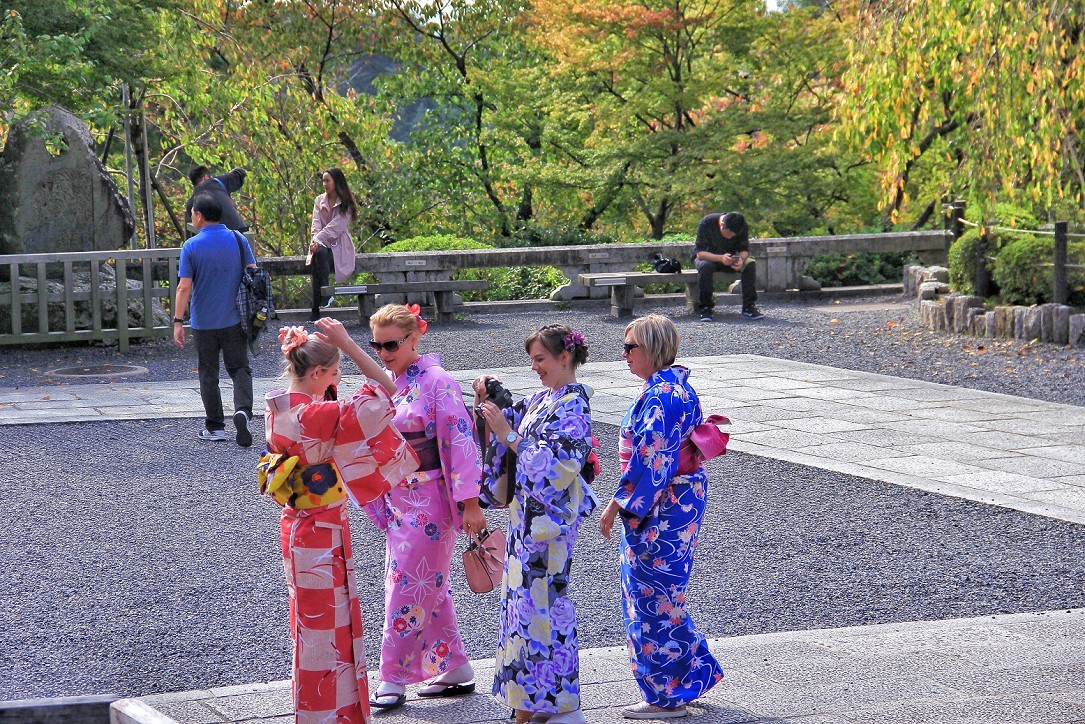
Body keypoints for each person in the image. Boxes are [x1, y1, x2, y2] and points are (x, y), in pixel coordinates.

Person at [259, 318, 419, 724]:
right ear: (316, 373)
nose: (338, 378)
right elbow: (386, 387)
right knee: (325, 630)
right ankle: (326, 716)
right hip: (322, 531)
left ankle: (328, 712)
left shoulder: (276, 408)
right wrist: (347, 344)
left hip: (296, 525)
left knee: (311, 624)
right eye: (333, 372)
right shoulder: (319, 416)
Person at [362, 304, 487, 711]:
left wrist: (470, 504)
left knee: (406, 585)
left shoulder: (438, 382)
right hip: (399, 497)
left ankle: (392, 676)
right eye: (376, 346)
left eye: (392, 344)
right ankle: (454, 667)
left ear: (416, 338)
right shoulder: (394, 383)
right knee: (427, 585)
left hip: (429, 501)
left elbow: (462, 444)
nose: (384, 353)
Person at [598, 314, 724, 720]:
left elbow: (651, 460)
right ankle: (692, 673)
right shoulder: (677, 388)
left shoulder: (660, 396)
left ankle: (664, 695)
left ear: (652, 348)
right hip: (679, 500)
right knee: (664, 594)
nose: (625, 355)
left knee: (651, 598)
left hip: (661, 505)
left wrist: (616, 503)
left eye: (630, 347)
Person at [474, 324, 597, 724]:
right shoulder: (547, 398)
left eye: (540, 359)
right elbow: (513, 419)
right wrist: (493, 400)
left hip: (550, 525)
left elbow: (559, 466)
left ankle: (558, 704)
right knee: (523, 610)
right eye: (532, 360)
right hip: (526, 522)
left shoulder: (575, 405)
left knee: (546, 608)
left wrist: (507, 434)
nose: (535, 367)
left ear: (565, 357)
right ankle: (529, 703)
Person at [173, 192, 257, 446]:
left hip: (204, 321)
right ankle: (242, 410)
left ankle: (215, 427)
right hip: (235, 318)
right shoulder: (238, 239)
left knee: (208, 373)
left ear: (198, 216)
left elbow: (184, 287)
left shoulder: (191, 246)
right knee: (239, 368)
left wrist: (178, 321)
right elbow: (253, 274)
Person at [692, 211, 763, 321]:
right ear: (722, 225)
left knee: (750, 263)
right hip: (708, 258)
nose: (730, 238)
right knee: (705, 267)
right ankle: (706, 307)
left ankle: (749, 307)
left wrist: (740, 259)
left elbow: (744, 250)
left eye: (733, 236)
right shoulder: (706, 223)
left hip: (731, 258)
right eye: (729, 234)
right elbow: (700, 254)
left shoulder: (741, 225)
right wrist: (721, 258)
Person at [308, 167, 358, 320]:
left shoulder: (346, 204)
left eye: (327, 180)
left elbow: (335, 227)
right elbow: (315, 224)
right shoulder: (319, 200)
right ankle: (325, 294)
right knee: (319, 255)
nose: (324, 184)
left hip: (340, 247)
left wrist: (317, 240)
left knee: (318, 260)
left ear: (336, 182)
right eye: (323, 180)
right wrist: (315, 241)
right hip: (321, 246)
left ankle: (316, 310)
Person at [185, 165, 248, 233]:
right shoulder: (218, 181)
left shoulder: (193, 200)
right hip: (240, 230)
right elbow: (240, 172)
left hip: (217, 235)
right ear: (206, 177)